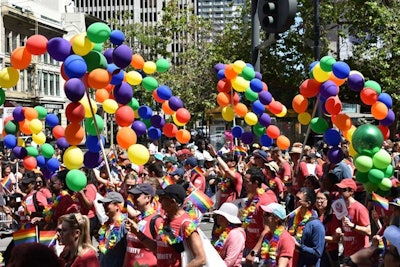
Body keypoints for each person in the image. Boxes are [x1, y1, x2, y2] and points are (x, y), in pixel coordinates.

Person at [127, 184, 206, 267]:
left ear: (172, 202)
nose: (159, 201)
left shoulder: (186, 224)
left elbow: (200, 259)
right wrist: (137, 232)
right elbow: (158, 249)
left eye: (162, 199)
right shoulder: (165, 221)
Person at [242, 169, 277, 266]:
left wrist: (253, 252)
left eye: (247, 182)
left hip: (259, 251)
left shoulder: (266, 201)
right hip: (248, 246)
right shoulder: (251, 198)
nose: (244, 184)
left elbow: (268, 229)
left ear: (256, 183)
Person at [124, 183, 162, 267]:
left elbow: (161, 250)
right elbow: (129, 249)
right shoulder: (136, 219)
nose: (133, 199)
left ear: (148, 198)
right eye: (133, 196)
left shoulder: (157, 221)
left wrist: (138, 233)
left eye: (137, 196)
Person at [288, 187, 324, 267]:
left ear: (308, 203)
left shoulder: (316, 225)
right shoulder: (292, 218)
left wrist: (298, 246)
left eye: (298, 199)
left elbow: (317, 253)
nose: (295, 201)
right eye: (295, 198)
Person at [336, 178, 371, 259]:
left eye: (343, 189)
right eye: (339, 189)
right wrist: (339, 230)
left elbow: (368, 231)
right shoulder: (341, 207)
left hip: (360, 255)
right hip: (348, 253)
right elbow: (343, 228)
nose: (340, 192)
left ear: (351, 191)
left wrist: (353, 226)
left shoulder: (360, 208)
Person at [259, 202, 295, 267]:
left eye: (267, 214)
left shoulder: (286, 239)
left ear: (276, 218)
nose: (263, 216)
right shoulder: (267, 236)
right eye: (264, 213)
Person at [97, 191, 128, 267]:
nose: (104, 206)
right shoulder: (105, 225)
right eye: (103, 204)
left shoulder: (124, 225)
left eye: (107, 204)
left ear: (117, 206)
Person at [211, 202, 245, 267]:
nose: (219, 217)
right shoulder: (220, 231)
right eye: (219, 215)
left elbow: (230, 260)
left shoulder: (236, 234)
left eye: (222, 216)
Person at [315, 190, 341, 267]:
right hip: (316, 252)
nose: (319, 201)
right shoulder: (313, 215)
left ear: (328, 200)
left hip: (329, 253)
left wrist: (317, 237)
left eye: (322, 199)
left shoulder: (333, 217)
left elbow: (335, 239)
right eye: (317, 198)